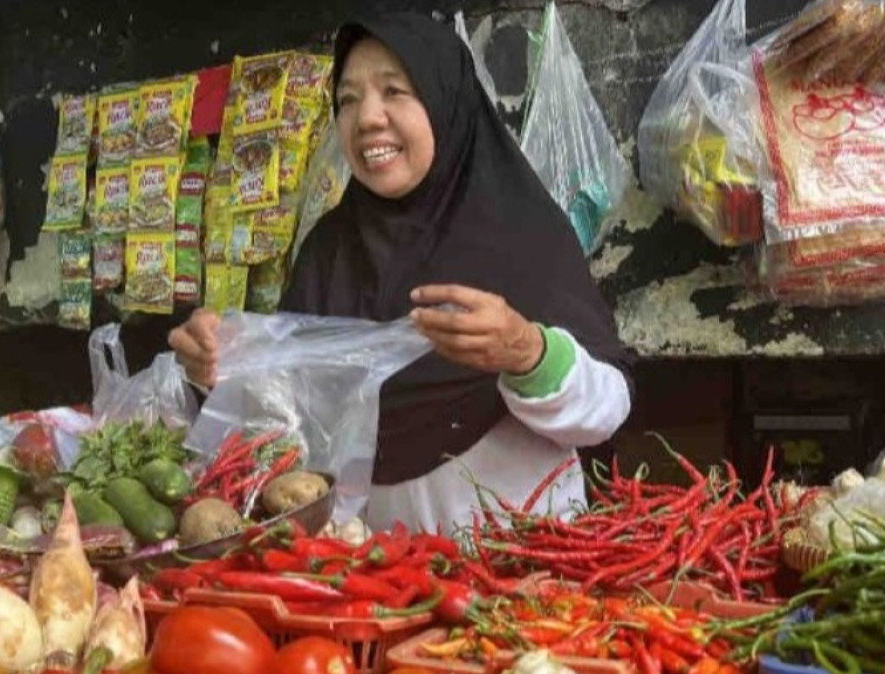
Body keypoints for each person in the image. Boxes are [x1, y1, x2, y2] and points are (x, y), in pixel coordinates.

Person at [170, 12, 636, 533]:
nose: (367, 117)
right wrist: (220, 369)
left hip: (523, 565)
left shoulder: (520, 232)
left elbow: (607, 411)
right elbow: (292, 422)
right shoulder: (328, 251)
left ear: (444, 102)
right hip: (383, 581)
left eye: (395, 91)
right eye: (347, 100)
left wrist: (528, 352)